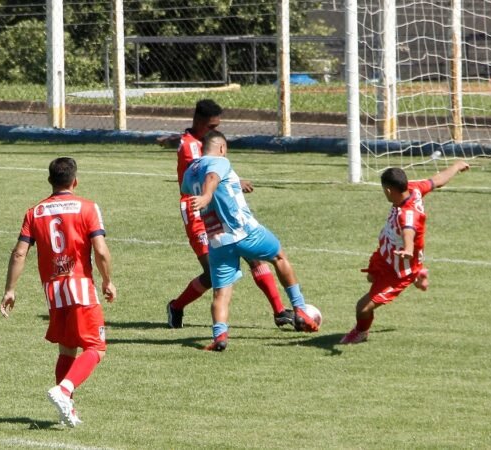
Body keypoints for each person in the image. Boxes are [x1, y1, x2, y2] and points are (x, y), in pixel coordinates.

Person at [0, 157, 116, 427]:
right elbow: (100, 250)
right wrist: (108, 280)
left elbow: (19, 253)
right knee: (96, 347)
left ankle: (67, 409)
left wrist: (10, 290)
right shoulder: (87, 207)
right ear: (75, 181)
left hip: (54, 291)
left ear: (50, 181)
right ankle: (64, 391)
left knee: (67, 349)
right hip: (81, 288)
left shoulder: (34, 212)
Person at [181, 130, 320, 352]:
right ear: (222, 148)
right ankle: (300, 309)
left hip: (218, 240)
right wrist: (208, 195)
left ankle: (220, 337)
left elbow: (199, 185)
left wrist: (231, 184)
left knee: (222, 293)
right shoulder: (220, 161)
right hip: (244, 232)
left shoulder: (189, 173)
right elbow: (213, 178)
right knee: (279, 256)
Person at [167, 99, 293, 329]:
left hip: (222, 210)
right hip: (198, 212)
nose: (216, 131)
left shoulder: (203, 143)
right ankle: (176, 306)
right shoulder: (189, 146)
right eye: (212, 127)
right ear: (198, 122)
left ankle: (279, 311)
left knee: (253, 255)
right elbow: (207, 175)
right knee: (212, 274)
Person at [340, 161, 469, 345]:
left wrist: (408, 250)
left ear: (388, 191)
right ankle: (418, 272)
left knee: (362, 307)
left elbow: (409, 230)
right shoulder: (414, 189)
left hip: (399, 271)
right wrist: (456, 167)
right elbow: (437, 181)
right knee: (371, 279)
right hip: (385, 256)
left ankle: (361, 332)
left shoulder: (406, 215)